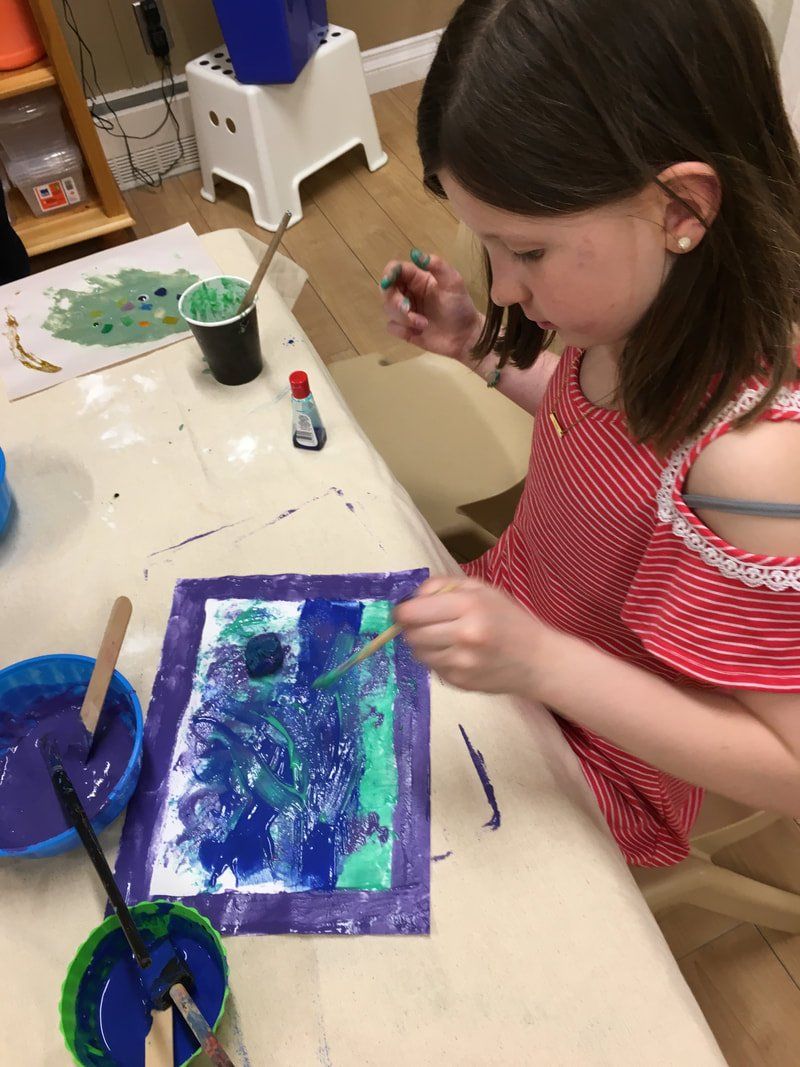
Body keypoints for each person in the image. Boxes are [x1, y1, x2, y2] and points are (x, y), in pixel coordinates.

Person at [380, 0, 800, 867]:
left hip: (610, 745)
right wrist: (477, 350)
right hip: (521, 628)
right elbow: (605, 449)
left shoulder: (751, 463)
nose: (502, 288)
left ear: (682, 207)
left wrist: (539, 664)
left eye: (526, 252)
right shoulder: (640, 313)